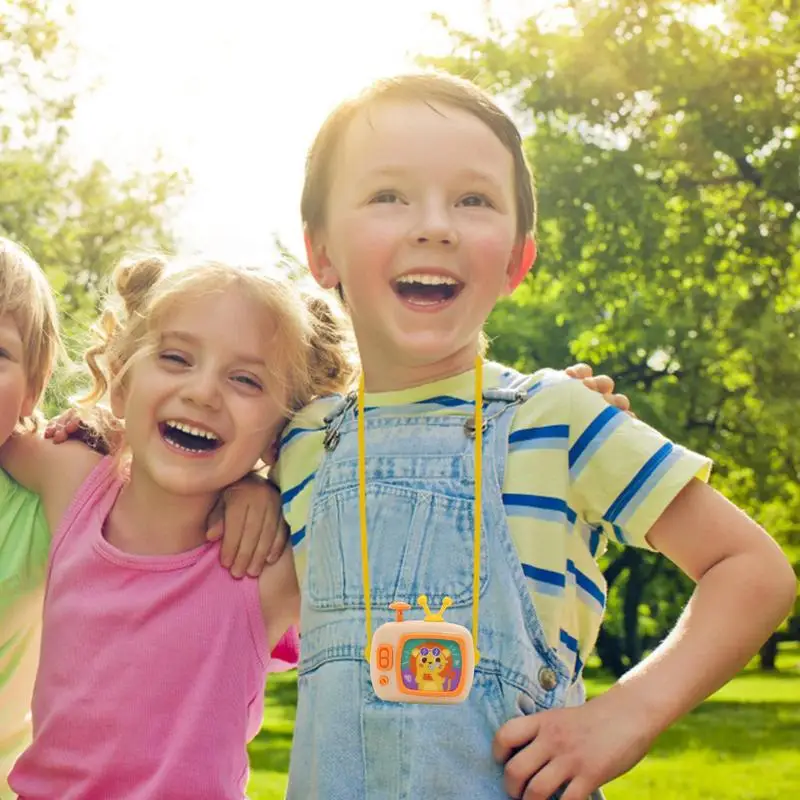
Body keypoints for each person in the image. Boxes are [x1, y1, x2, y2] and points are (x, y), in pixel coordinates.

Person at [273, 72, 796, 800]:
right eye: (389, 195)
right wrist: (240, 502)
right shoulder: (299, 446)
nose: (435, 225)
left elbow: (754, 569)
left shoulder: (559, 416)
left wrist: (627, 714)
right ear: (320, 250)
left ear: (519, 258)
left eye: (474, 200)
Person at [0, 253, 353, 798]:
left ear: (283, 428)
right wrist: (96, 424)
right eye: (176, 358)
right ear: (120, 380)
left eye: (246, 379)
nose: (203, 392)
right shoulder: (70, 480)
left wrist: (266, 486)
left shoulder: (267, 565)